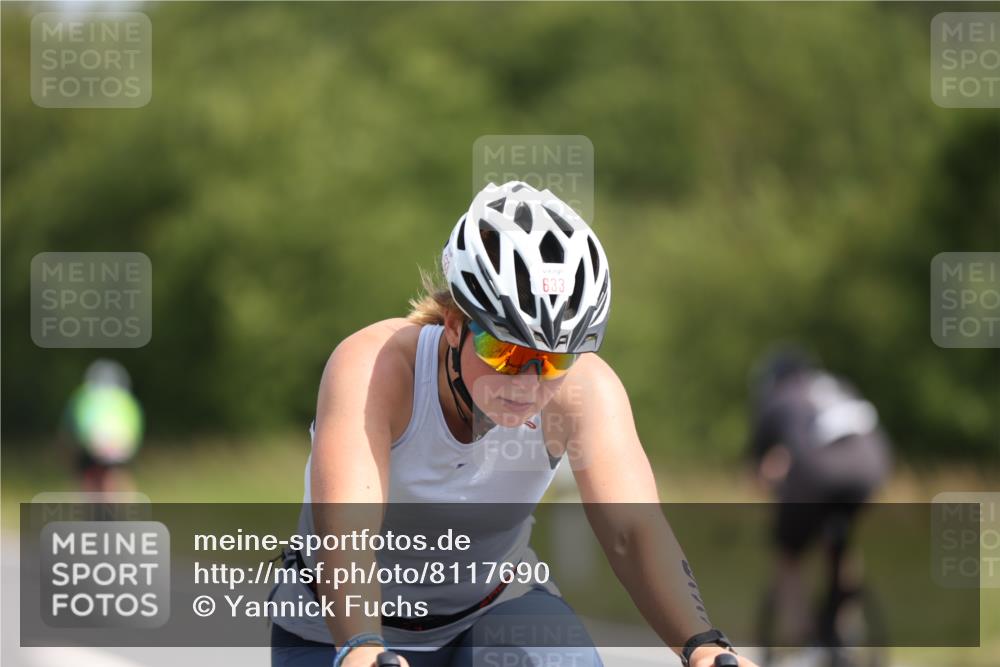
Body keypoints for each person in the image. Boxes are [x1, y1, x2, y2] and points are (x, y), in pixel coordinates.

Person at [269, 181, 759, 667]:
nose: (527, 382)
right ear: (454, 323)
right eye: (505, 352)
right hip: (333, 627)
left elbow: (633, 529)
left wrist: (704, 646)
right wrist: (360, 646)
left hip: (496, 614)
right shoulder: (375, 366)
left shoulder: (586, 390)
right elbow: (348, 528)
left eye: (553, 359)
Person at [748, 346, 892, 647]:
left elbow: (761, 468)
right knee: (840, 543)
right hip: (872, 467)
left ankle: (803, 638)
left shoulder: (779, 396)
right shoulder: (838, 385)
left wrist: (778, 499)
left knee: (788, 555)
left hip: (818, 472)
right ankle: (845, 628)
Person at [64, 359, 144, 494]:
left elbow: (77, 426)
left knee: (87, 473)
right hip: (122, 446)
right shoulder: (126, 399)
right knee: (119, 474)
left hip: (96, 444)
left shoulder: (84, 397)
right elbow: (136, 426)